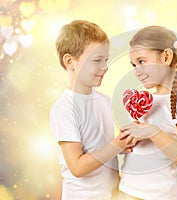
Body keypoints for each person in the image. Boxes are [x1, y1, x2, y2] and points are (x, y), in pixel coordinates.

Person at [49, 20, 136, 200]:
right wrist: (116, 145)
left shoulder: (104, 101)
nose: (105, 67)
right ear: (70, 62)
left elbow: (98, 149)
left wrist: (123, 144)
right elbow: (78, 167)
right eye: (97, 60)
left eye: (106, 60)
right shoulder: (64, 109)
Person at [118, 26, 177, 200]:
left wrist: (152, 131)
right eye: (134, 65)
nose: (137, 71)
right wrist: (125, 140)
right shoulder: (143, 101)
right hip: (126, 191)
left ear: (166, 57)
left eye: (141, 61)